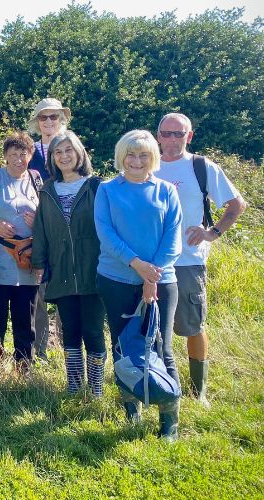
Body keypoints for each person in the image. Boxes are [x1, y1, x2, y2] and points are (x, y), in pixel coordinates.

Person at [95, 129, 182, 441]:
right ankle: (132, 409)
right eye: (130, 155)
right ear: (121, 156)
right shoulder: (106, 190)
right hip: (115, 280)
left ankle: (169, 419)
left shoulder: (166, 191)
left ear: (152, 157)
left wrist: (151, 274)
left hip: (161, 282)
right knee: (124, 347)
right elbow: (106, 233)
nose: (136, 160)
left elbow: (173, 238)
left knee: (161, 347)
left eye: (143, 155)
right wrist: (137, 265)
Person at [155, 113, 246, 409]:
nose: (171, 140)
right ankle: (158, 383)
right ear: (157, 135)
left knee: (192, 325)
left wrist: (213, 232)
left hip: (188, 261)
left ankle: (199, 391)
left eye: (177, 135)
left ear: (189, 137)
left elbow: (236, 204)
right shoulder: (145, 163)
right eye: (166, 134)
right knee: (152, 327)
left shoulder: (201, 167)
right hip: (150, 263)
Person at [31, 131, 106, 397]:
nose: (63, 156)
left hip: (93, 271)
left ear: (79, 153)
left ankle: (96, 389)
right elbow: (40, 231)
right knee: (70, 331)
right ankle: (74, 387)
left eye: (68, 150)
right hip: (60, 271)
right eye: (58, 152)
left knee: (93, 331)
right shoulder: (47, 190)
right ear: (52, 158)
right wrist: (39, 263)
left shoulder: (97, 187)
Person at [0, 132, 41, 371]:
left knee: (25, 316)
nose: (18, 159)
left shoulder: (37, 180)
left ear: (31, 155)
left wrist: (39, 222)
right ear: (5, 156)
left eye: (23, 154)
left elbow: (48, 221)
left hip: (28, 260)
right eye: (13, 154)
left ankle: (24, 366)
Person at [27, 97, 72, 362]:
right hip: (35, 227)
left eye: (54, 117)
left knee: (68, 286)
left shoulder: (71, 147)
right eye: (43, 117)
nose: (49, 122)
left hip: (65, 226)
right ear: (37, 122)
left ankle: (70, 347)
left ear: (61, 119)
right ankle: (40, 350)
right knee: (39, 290)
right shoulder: (29, 151)